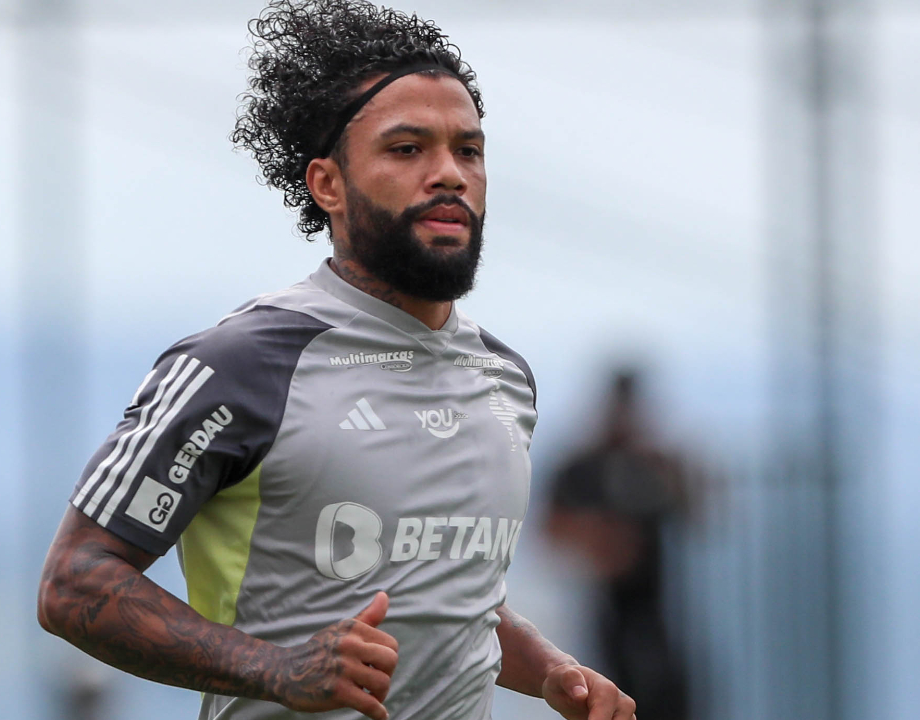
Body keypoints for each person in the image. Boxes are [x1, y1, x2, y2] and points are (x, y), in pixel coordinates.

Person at [37, 2, 636, 719]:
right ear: (328, 185)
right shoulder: (243, 364)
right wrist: (278, 668)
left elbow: (447, 603)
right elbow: (76, 582)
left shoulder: (505, 378)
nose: (448, 174)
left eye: (468, 150)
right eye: (407, 149)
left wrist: (550, 673)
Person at [546, 370, 690, 720]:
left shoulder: (652, 462)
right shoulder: (584, 464)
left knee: (665, 689)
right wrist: (600, 541)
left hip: (657, 607)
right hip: (600, 604)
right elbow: (551, 527)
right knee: (605, 689)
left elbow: (692, 508)